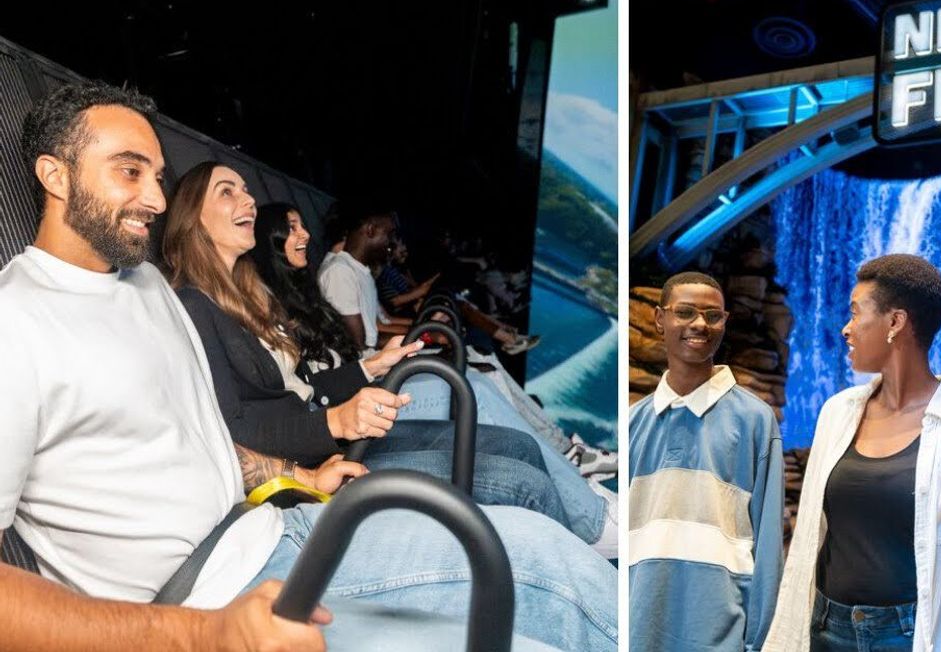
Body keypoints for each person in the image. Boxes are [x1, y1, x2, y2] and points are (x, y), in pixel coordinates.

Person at [0, 80, 616, 651]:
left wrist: (298, 476)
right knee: (539, 604)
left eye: (158, 176)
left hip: (273, 528)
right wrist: (202, 634)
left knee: (543, 558)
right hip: (203, 600)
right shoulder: (16, 323)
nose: (157, 199)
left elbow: (204, 441)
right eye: (130, 172)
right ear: (55, 174)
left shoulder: (145, 286)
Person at [164, 165, 571, 526]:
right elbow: (231, 428)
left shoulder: (248, 296)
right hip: (309, 464)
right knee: (521, 485)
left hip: (329, 438)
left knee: (517, 446)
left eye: (246, 188)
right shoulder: (194, 306)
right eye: (227, 191)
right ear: (192, 218)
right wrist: (336, 422)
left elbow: (306, 391)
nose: (248, 198)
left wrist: (371, 368)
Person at [252, 201, 620, 551]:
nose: (306, 236)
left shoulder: (304, 292)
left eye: (303, 225)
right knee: (474, 389)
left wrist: (387, 355)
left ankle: (573, 472)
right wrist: (382, 359)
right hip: (352, 405)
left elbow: (344, 355)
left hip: (360, 384)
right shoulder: (317, 284)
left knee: (488, 390)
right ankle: (589, 511)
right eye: (293, 228)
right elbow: (337, 363)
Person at [765, 254, 941, 652]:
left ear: (895, 323)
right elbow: (811, 538)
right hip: (826, 628)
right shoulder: (837, 412)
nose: (845, 329)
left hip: (908, 636)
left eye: (855, 313)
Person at [628, 271, 785, 652]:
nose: (700, 324)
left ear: (725, 323)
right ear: (659, 319)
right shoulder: (634, 421)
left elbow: (767, 543)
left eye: (713, 315)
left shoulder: (755, 420)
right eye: (685, 312)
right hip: (638, 627)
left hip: (721, 634)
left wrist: (756, 641)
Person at [317, 205, 408, 352]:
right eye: (389, 235)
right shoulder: (339, 271)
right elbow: (359, 348)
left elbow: (373, 336)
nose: (391, 243)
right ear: (370, 230)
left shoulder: (361, 270)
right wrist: (423, 338)